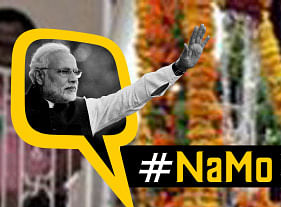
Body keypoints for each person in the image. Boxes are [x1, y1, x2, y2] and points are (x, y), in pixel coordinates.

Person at [21, 24, 207, 140]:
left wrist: (178, 68)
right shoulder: (15, 108)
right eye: (63, 72)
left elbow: (131, 97)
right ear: (38, 76)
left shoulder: (82, 112)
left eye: (75, 72)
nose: (72, 79)